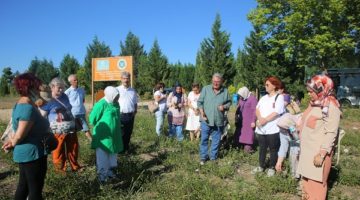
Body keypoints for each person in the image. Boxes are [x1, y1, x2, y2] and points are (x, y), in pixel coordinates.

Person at [2, 73, 50, 200]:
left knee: (23, 187)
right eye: (37, 86)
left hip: (28, 153)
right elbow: (19, 134)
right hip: (32, 154)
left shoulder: (22, 104)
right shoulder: (27, 108)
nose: (39, 89)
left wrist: (12, 142)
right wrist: (12, 143)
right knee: (35, 190)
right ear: (30, 87)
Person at [297, 75, 341, 200]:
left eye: (311, 91)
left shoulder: (331, 106)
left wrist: (322, 154)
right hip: (307, 153)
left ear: (322, 89)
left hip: (317, 155)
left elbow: (331, 133)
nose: (309, 94)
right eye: (308, 91)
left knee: (316, 187)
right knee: (306, 186)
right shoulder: (315, 104)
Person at [40, 77, 81, 172]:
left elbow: (69, 109)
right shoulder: (47, 100)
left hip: (70, 127)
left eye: (62, 87)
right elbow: (42, 116)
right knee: (58, 150)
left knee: (73, 148)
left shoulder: (65, 96)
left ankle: (75, 167)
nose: (62, 90)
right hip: (57, 130)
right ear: (52, 87)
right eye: (59, 88)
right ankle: (60, 171)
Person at [252, 76, 285, 177]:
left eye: (267, 85)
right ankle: (261, 166)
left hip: (272, 129)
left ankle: (271, 167)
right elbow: (257, 109)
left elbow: (276, 112)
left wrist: (264, 120)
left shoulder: (279, 97)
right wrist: (260, 118)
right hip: (262, 129)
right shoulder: (263, 98)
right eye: (265, 84)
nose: (265, 86)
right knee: (262, 148)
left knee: (273, 149)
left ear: (274, 86)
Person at [89, 86, 123, 182]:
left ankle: (110, 173)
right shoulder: (101, 104)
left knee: (112, 156)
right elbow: (92, 119)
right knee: (102, 157)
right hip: (103, 137)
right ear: (109, 95)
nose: (117, 98)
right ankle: (102, 178)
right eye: (115, 96)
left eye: (118, 96)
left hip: (114, 135)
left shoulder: (116, 103)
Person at [198, 73, 231, 165]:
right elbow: (199, 102)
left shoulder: (225, 91)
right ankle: (203, 157)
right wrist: (202, 112)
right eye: (214, 81)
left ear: (221, 82)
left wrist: (224, 107)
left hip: (218, 121)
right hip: (206, 120)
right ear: (212, 81)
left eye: (218, 82)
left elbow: (229, 103)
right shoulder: (205, 89)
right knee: (204, 139)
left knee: (216, 140)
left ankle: (213, 157)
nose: (216, 83)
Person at [64, 74, 92, 141]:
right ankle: (72, 147)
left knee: (86, 129)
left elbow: (83, 100)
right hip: (72, 114)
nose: (76, 81)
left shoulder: (82, 90)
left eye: (77, 79)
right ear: (70, 82)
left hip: (81, 112)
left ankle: (93, 144)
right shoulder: (67, 92)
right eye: (74, 80)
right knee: (72, 132)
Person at [116, 71, 138, 153]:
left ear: (130, 79)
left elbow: (135, 102)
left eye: (127, 78)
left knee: (128, 133)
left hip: (130, 115)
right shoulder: (117, 89)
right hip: (120, 115)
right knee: (121, 133)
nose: (126, 80)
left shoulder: (133, 91)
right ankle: (120, 150)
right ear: (121, 79)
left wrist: (135, 111)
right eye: (124, 78)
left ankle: (126, 149)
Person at [275, 113, 301, 179]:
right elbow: (283, 147)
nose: (282, 130)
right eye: (281, 128)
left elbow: (298, 139)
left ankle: (302, 178)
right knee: (293, 155)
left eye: (284, 129)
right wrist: (279, 162)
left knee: (297, 155)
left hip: (305, 142)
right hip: (295, 142)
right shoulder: (283, 129)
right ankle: (294, 177)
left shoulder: (299, 123)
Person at [236, 86, 257, 153]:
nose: (240, 97)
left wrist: (253, 121)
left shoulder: (252, 99)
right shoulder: (242, 99)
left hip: (249, 121)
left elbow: (255, 110)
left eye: (241, 95)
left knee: (248, 135)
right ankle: (239, 146)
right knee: (240, 134)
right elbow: (239, 107)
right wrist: (236, 115)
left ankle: (248, 149)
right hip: (241, 120)